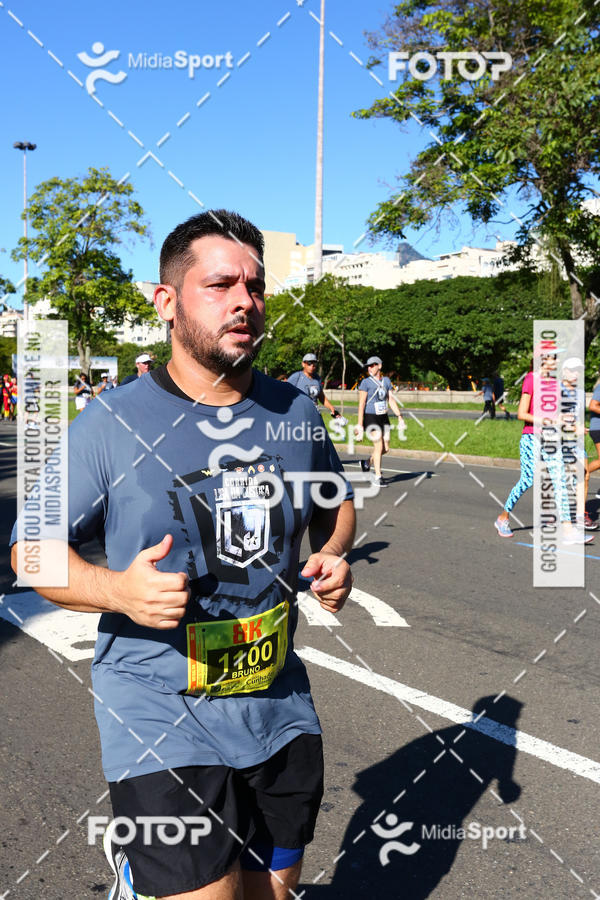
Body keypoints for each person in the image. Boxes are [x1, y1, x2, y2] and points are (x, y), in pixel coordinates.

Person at [11, 209, 355, 900]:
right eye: (220, 284)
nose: (244, 302)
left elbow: (336, 505)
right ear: (166, 301)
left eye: (255, 288)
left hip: (275, 699)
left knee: (274, 893)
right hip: (157, 707)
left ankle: (142, 877)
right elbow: (29, 552)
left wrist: (336, 555)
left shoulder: (294, 412)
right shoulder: (109, 423)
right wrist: (117, 591)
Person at [494, 352, 592, 543]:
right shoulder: (531, 379)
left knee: (559, 481)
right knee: (527, 480)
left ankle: (568, 531)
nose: (556, 361)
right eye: (553, 357)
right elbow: (522, 414)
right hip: (531, 438)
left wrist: (573, 427)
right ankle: (503, 518)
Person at [356, 356, 404, 487]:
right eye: (368, 366)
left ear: (380, 366)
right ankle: (378, 476)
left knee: (386, 448)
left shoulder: (386, 381)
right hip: (371, 417)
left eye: (373, 365)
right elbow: (361, 404)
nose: (370, 368)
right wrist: (360, 425)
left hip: (383, 417)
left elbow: (391, 400)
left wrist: (399, 416)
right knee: (378, 446)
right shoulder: (365, 383)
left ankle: (367, 463)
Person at [287, 354, 343, 419]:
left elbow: (321, 397)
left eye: (314, 363)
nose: (312, 366)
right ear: (303, 364)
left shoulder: (317, 378)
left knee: (318, 429)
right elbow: (286, 392)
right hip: (299, 412)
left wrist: (331, 408)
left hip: (314, 412)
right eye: (309, 363)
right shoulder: (297, 376)